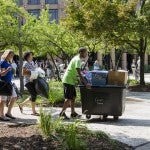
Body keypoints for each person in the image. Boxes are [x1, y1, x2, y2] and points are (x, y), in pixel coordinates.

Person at [59, 47, 91, 119]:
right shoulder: (78, 60)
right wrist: (86, 84)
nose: (86, 54)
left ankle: (73, 113)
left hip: (71, 80)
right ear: (81, 53)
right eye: (86, 52)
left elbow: (78, 72)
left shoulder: (77, 58)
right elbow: (79, 73)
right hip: (68, 80)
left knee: (73, 97)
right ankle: (62, 113)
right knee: (68, 98)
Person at [18, 51, 39, 116]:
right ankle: (33, 111)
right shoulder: (25, 63)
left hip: (33, 81)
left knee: (34, 95)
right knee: (34, 95)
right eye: (31, 55)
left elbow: (35, 70)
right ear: (27, 56)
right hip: (28, 82)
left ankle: (21, 105)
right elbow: (23, 73)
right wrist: (31, 73)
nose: (32, 56)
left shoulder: (32, 62)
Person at [0, 49, 17, 121]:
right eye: (10, 54)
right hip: (3, 83)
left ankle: (8, 113)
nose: (11, 56)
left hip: (9, 83)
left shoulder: (8, 62)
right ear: (6, 54)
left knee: (14, 97)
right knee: (3, 100)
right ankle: (1, 115)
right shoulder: (2, 62)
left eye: (12, 55)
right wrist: (7, 70)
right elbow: (1, 74)